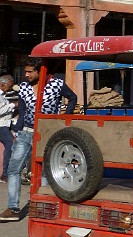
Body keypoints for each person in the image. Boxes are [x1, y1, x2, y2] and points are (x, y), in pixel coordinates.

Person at [0, 59, 77, 221]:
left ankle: (44, 207)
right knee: (14, 168)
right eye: (25, 71)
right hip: (26, 132)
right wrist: (17, 129)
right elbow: (22, 107)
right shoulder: (25, 87)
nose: (26, 74)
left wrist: (64, 118)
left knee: (45, 170)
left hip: (48, 132)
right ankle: (13, 208)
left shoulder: (56, 84)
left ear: (40, 71)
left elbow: (72, 97)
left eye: (30, 71)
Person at [0, 75, 16, 183]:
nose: (9, 89)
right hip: (1, 125)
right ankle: (5, 173)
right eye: (8, 86)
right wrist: (12, 105)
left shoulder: (3, 96)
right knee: (10, 144)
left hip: (6, 124)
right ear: (2, 84)